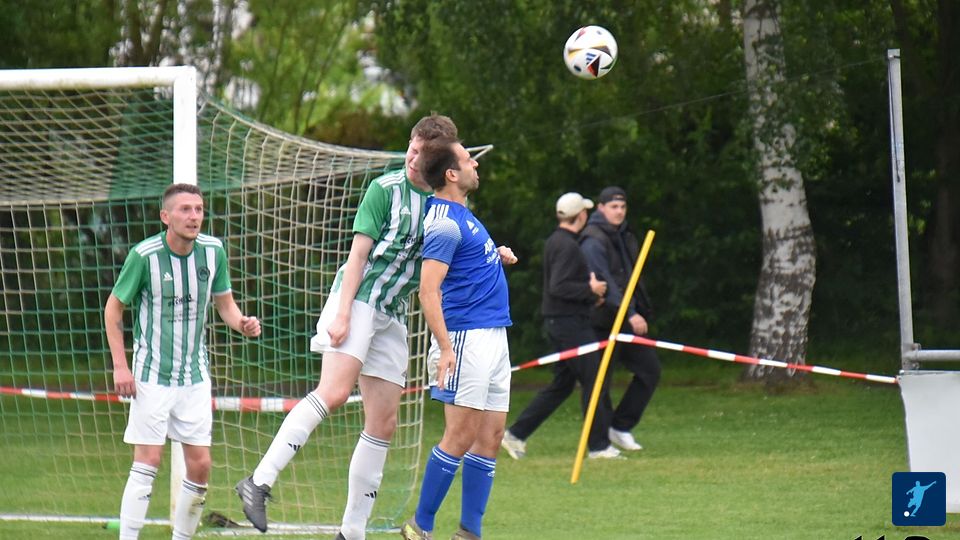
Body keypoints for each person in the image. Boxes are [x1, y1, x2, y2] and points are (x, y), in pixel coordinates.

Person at [235, 114, 458, 538]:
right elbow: (358, 256)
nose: (413, 159)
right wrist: (342, 313)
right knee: (334, 392)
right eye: (412, 148)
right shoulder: (385, 190)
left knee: (383, 423)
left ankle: (351, 533)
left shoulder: (441, 204)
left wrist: (495, 252)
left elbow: (455, 254)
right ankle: (258, 482)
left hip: (393, 314)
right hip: (359, 300)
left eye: (423, 154)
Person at [105, 183, 262, 540]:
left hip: (194, 376)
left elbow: (225, 305)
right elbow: (113, 309)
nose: (194, 217)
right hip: (151, 375)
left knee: (201, 465)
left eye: (199, 209)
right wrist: (121, 366)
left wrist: (242, 322)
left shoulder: (213, 251)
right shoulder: (144, 256)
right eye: (185, 209)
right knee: (148, 460)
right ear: (166, 216)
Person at [400, 136, 517, 540]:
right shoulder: (444, 223)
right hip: (466, 337)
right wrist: (447, 349)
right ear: (451, 174)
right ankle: (420, 527)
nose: (475, 165)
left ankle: (469, 533)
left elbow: (463, 267)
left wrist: (494, 255)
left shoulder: (462, 215)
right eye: (469, 160)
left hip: (493, 335)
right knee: (461, 436)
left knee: (491, 437)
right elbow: (428, 290)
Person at [500, 192, 624, 460]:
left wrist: (590, 296)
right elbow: (559, 286)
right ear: (580, 215)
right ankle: (599, 446)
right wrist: (591, 290)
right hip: (570, 324)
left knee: (563, 384)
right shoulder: (567, 245)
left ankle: (516, 434)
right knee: (595, 379)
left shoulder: (557, 242)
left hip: (563, 321)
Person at [580, 186, 661, 453]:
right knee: (599, 382)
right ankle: (598, 444)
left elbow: (630, 278)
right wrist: (631, 313)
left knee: (650, 370)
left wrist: (638, 308)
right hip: (602, 320)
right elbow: (606, 283)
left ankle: (620, 426)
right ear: (601, 208)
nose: (619, 212)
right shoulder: (593, 240)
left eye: (623, 207)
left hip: (624, 319)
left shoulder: (624, 235)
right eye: (614, 207)